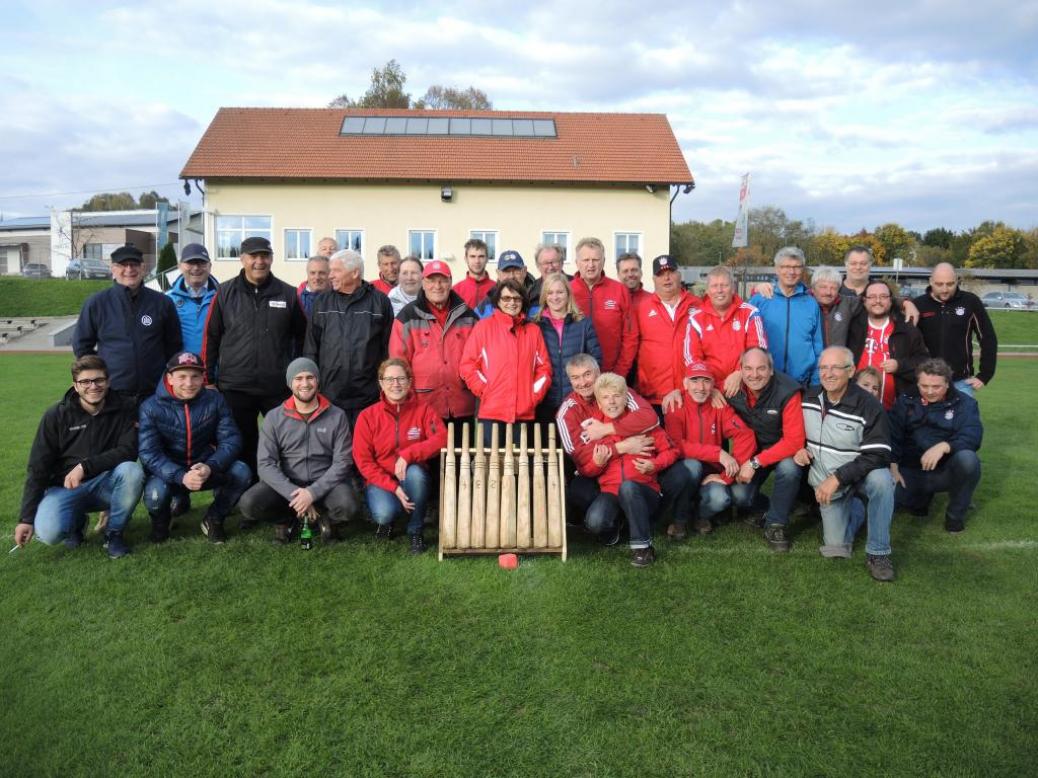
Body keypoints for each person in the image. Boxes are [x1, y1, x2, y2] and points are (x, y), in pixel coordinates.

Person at [15, 355, 144, 558]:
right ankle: (76, 523)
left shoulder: (125, 407)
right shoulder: (56, 415)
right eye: (85, 381)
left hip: (105, 483)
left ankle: (114, 533)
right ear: (75, 386)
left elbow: (128, 450)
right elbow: (38, 467)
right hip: (65, 488)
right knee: (49, 533)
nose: (93, 386)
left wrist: (85, 466)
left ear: (108, 382)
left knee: (132, 471)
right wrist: (26, 518)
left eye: (99, 380)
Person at [203, 236, 307, 481]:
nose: (259, 261)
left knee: (283, 442)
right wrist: (208, 379)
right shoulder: (225, 292)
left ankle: (281, 493)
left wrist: (299, 378)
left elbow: (303, 339)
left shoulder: (289, 294)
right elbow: (211, 337)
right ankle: (247, 493)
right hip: (236, 386)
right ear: (243, 259)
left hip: (277, 386)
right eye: (253, 256)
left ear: (271, 259)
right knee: (242, 442)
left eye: (264, 256)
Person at [794, 346, 896, 581]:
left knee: (882, 480)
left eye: (835, 368)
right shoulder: (808, 397)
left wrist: (837, 477)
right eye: (823, 368)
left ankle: (878, 553)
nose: (828, 373)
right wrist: (797, 448)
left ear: (850, 371)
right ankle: (859, 508)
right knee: (836, 548)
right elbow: (791, 430)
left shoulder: (870, 406)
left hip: (857, 476)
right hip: (828, 482)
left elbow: (879, 454)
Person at [238, 358, 359, 545]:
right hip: (289, 482)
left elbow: (342, 462)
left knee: (348, 505)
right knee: (249, 503)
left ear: (317, 381)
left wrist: (312, 492)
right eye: (298, 378)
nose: (305, 383)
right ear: (289, 383)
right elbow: (265, 464)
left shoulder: (337, 415)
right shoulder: (274, 417)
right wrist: (295, 493)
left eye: (310, 377)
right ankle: (285, 521)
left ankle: (327, 521)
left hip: (326, 482)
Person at [139, 351, 251, 543]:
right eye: (182, 376)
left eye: (195, 376)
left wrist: (210, 466)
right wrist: (181, 476)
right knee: (155, 494)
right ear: (170, 378)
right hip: (170, 472)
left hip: (204, 467)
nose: (189, 383)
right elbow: (149, 453)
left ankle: (214, 518)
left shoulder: (215, 400)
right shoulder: (150, 407)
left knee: (242, 471)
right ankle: (161, 522)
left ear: (202, 378)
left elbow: (231, 439)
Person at [555, 353, 675, 532]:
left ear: (598, 372)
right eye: (575, 378)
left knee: (672, 474)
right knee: (581, 493)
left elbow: (649, 418)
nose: (583, 382)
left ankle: (641, 514)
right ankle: (613, 520)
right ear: (570, 381)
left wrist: (607, 429)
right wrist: (623, 446)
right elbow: (581, 455)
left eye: (587, 374)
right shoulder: (567, 412)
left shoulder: (615, 390)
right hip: (594, 473)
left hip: (634, 473)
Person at [579, 372, 681, 567]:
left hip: (643, 490)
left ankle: (643, 548)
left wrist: (655, 464)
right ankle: (619, 527)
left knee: (628, 487)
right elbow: (586, 470)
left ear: (626, 398)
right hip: (611, 492)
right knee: (595, 521)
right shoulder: (594, 431)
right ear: (599, 404)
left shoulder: (643, 425)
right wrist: (598, 463)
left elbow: (673, 451)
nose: (612, 402)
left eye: (617, 396)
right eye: (606, 398)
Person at [353, 358, 447, 553]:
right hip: (381, 479)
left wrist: (408, 454)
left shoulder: (423, 410)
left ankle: (415, 530)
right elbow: (363, 461)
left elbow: (443, 438)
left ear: (410, 381)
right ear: (381, 383)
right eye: (389, 379)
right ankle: (388, 521)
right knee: (384, 513)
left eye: (401, 379)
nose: (395, 384)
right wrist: (393, 487)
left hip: (411, 475)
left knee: (416, 475)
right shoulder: (367, 416)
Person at [73, 244, 182, 402]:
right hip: (112, 394)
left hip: (154, 394)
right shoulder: (96, 303)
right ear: (113, 269)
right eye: (123, 265)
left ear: (143, 268)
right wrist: (99, 377)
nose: (129, 269)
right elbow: (82, 347)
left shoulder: (162, 303)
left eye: (134, 264)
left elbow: (174, 345)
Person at [664, 360, 756, 538]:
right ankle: (679, 519)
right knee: (692, 466)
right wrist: (718, 453)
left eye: (706, 381)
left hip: (711, 473)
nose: (700, 387)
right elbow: (676, 445)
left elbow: (746, 435)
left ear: (713, 385)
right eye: (694, 380)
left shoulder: (718, 405)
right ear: (685, 383)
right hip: (683, 471)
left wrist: (727, 475)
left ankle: (701, 515)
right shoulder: (675, 405)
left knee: (721, 498)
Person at [889, 358, 982, 533]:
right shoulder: (905, 400)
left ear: (948, 383)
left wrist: (945, 446)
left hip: (945, 472)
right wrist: (892, 465)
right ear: (917, 383)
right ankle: (921, 500)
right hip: (911, 470)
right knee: (892, 499)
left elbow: (973, 434)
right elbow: (893, 435)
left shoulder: (965, 403)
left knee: (968, 460)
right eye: (924, 386)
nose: (930, 391)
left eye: (936, 387)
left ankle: (955, 517)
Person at [304, 249, 394, 429]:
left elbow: (387, 349)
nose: (330, 276)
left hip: (368, 397)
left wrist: (383, 385)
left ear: (355, 273)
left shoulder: (380, 302)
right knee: (333, 452)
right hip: (330, 395)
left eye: (336, 270)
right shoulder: (322, 302)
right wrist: (312, 384)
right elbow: (311, 347)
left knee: (365, 450)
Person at [728, 348, 806, 552]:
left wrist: (755, 463)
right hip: (754, 449)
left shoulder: (788, 391)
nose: (754, 375)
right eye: (748, 369)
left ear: (771, 370)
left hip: (783, 450)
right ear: (741, 370)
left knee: (789, 468)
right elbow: (704, 392)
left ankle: (775, 525)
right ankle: (770, 507)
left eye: (761, 368)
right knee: (739, 496)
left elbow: (794, 441)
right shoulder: (733, 389)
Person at [460, 279, 551, 443]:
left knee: (520, 467)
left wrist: (533, 396)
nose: (512, 303)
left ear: (523, 301)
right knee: (492, 466)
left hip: (523, 412)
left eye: (517, 298)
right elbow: (468, 365)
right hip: (491, 411)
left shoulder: (533, 331)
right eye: (506, 298)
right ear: (498, 301)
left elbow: (544, 369)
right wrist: (485, 390)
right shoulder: (483, 327)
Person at [390, 260, 477, 425]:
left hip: (463, 404)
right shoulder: (407, 316)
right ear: (423, 283)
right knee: (426, 451)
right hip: (423, 405)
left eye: (443, 280)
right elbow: (398, 363)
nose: (437, 286)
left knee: (462, 450)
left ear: (451, 282)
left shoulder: (468, 316)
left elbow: (479, 359)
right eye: (431, 280)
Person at [912, 263, 997, 398]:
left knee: (965, 419)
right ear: (931, 281)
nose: (945, 289)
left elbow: (988, 337)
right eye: (939, 284)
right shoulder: (917, 304)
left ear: (957, 281)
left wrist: (985, 375)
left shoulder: (970, 302)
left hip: (960, 382)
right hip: (927, 383)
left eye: (950, 284)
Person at [682, 265, 766, 397]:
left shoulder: (750, 313)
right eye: (715, 286)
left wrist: (740, 373)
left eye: (724, 285)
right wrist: (709, 387)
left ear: (733, 288)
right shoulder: (696, 318)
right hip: (710, 391)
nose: (719, 290)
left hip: (745, 387)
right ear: (708, 290)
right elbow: (692, 358)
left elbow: (758, 350)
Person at [633, 255, 699, 416]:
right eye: (661, 274)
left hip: (690, 392)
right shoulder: (641, 309)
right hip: (654, 395)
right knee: (659, 441)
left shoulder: (698, 305)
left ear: (679, 275)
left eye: (671, 272)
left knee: (693, 441)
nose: (667, 278)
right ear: (654, 279)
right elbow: (630, 347)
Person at [748, 247, 823, 386]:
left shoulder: (811, 304)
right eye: (786, 266)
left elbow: (817, 345)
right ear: (777, 269)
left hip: (802, 383)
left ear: (803, 270)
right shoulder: (759, 300)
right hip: (765, 382)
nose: (791, 272)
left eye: (796, 267)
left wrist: (816, 382)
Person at [534, 272, 602, 423]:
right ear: (544, 296)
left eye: (560, 292)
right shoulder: (536, 326)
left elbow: (596, 360)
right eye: (550, 293)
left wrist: (585, 391)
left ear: (568, 294)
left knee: (576, 445)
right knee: (546, 444)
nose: (555, 297)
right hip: (545, 400)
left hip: (577, 401)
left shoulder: (584, 324)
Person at [570, 237, 638, 377]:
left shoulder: (619, 290)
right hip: (577, 377)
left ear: (603, 262)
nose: (591, 265)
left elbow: (630, 336)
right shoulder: (567, 291)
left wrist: (620, 372)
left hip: (611, 373)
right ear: (577, 263)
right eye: (586, 260)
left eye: (595, 260)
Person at [858, 280, 930, 410]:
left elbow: (924, 362)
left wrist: (900, 365)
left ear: (891, 300)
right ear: (864, 300)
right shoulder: (853, 326)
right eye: (872, 297)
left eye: (883, 296)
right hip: (857, 408)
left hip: (895, 410)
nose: (878, 301)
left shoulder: (906, 328)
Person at [841, 245, 920, 323]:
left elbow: (892, 299)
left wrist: (906, 303)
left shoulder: (879, 288)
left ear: (870, 265)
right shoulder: (834, 290)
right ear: (846, 264)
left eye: (863, 263)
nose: (858, 267)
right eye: (853, 263)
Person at [167, 243, 218, 355]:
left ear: (210, 266)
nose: (196, 268)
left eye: (202, 263)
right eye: (190, 262)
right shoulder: (167, 300)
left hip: (214, 370)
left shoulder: (223, 297)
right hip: (181, 370)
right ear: (180, 266)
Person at [811, 265, 865, 359]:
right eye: (823, 287)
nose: (828, 292)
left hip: (837, 364)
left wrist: (899, 302)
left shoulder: (847, 303)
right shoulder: (802, 304)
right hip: (811, 366)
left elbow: (872, 299)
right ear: (813, 288)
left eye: (833, 288)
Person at [474, 250, 536, 317]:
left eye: (516, 270)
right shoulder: (485, 307)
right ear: (498, 273)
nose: (512, 276)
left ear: (524, 271)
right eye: (506, 271)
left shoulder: (538, 300)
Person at [453, 238, 494, 311]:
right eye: (472, 256)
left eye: (481, 256)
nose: (477, 261)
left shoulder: (496, 289)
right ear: (466, 259)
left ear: (487, 259)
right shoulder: (455, 291)